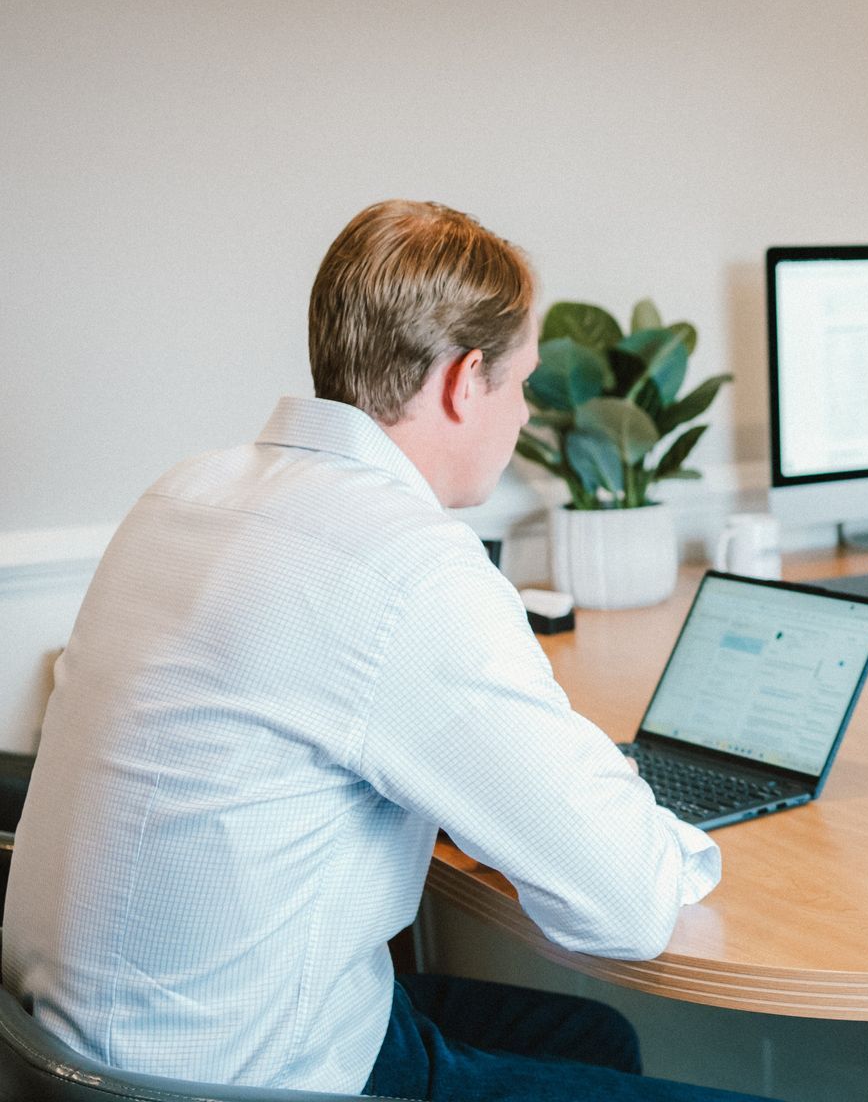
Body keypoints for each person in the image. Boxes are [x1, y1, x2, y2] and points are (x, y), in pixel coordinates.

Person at [3, 200, 766, 1102]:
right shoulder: (408, 563)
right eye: (521, 383)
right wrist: (624, 803)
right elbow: (628, 906)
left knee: (594, 1036)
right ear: (465, 380)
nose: (525, 413)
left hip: (77, 1053)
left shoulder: (187, 490)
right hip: (249, 1083)